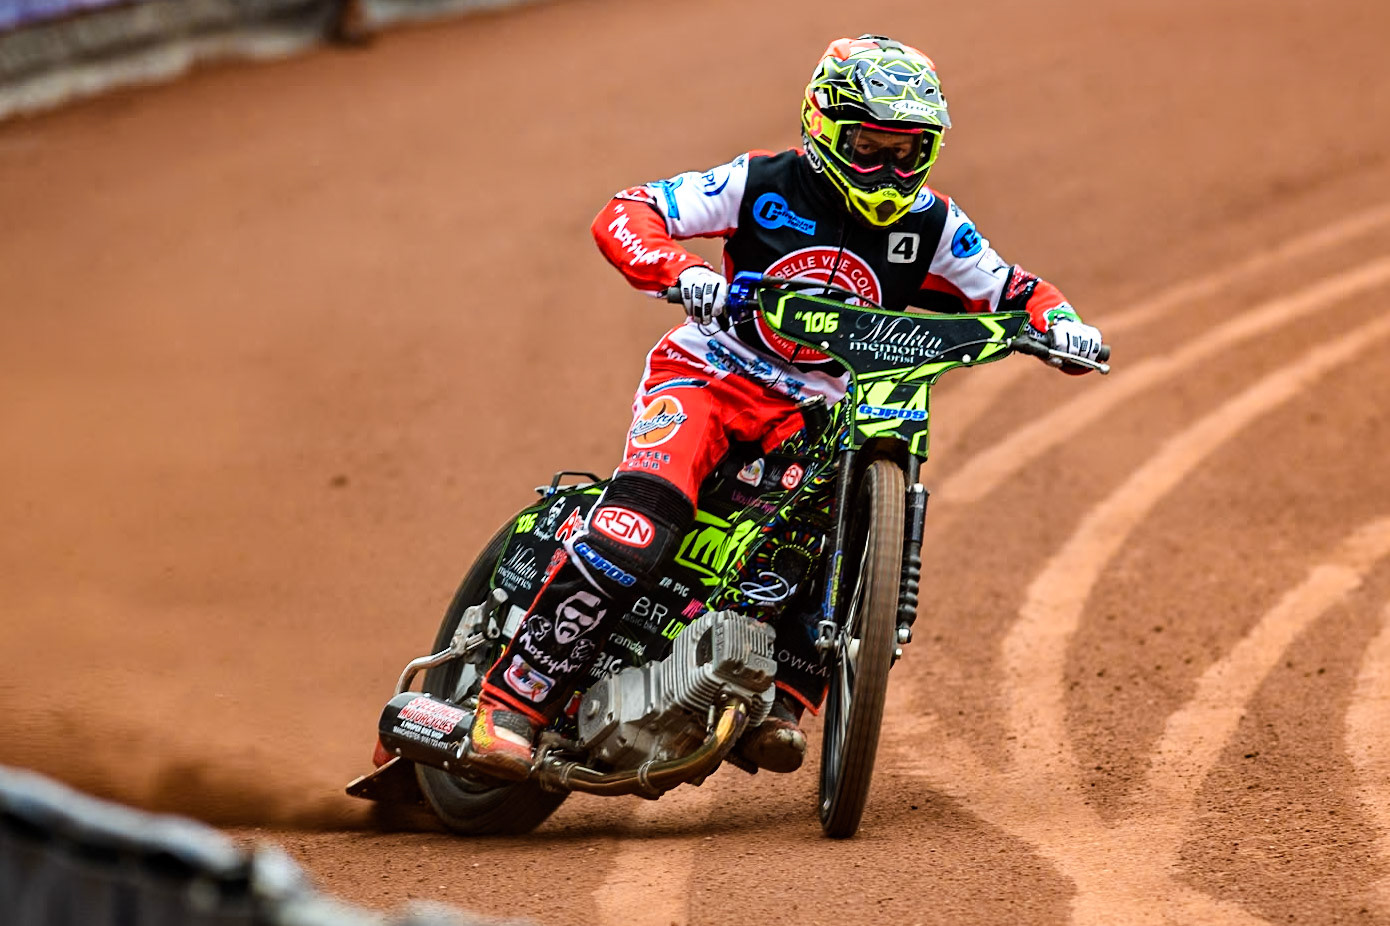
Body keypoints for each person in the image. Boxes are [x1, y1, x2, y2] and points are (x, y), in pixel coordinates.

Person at [467, 34, 1105, 781]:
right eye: (869, 145)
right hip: (709, 379)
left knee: (845, 527)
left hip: (822, 412)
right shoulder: (759, 180)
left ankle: (784, 701)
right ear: (824, 126)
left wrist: (1063, 325)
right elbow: (629, 211)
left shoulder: (935, 225)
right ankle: (512, 702)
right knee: (639, 527)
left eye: (908, 151)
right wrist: (682, 271)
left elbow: (1013, 288)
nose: (889, 169)